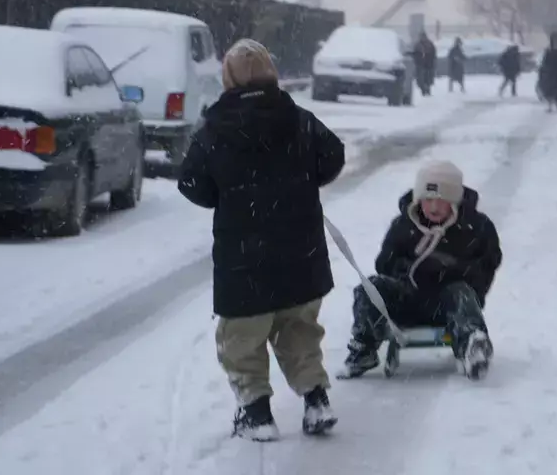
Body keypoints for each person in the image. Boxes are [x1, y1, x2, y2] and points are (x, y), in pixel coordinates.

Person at [177, 39, 346, 443]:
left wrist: (229, 195)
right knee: (299, 329)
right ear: (271, 72)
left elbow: (191, 183)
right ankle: (316, 399)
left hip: (244, 260)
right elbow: (333, 155)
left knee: (241, 338)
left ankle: (255, 414)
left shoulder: (215, 128)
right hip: (300, 252)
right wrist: (302, 181)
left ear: (229, 78)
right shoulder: (298, 117)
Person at [339, 160, 502, 381]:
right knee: (370, 287)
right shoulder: (403, 225)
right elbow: (384, 263)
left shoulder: (477, 227)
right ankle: (364, 347)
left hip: (450, 305)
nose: (433, 207)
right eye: (428, 199)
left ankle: (472, 344)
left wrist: (452, 269)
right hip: (409, 296)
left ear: (454, 200)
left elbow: (487, 268)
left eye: (441, 200)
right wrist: (403, 268)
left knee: (461, 292)